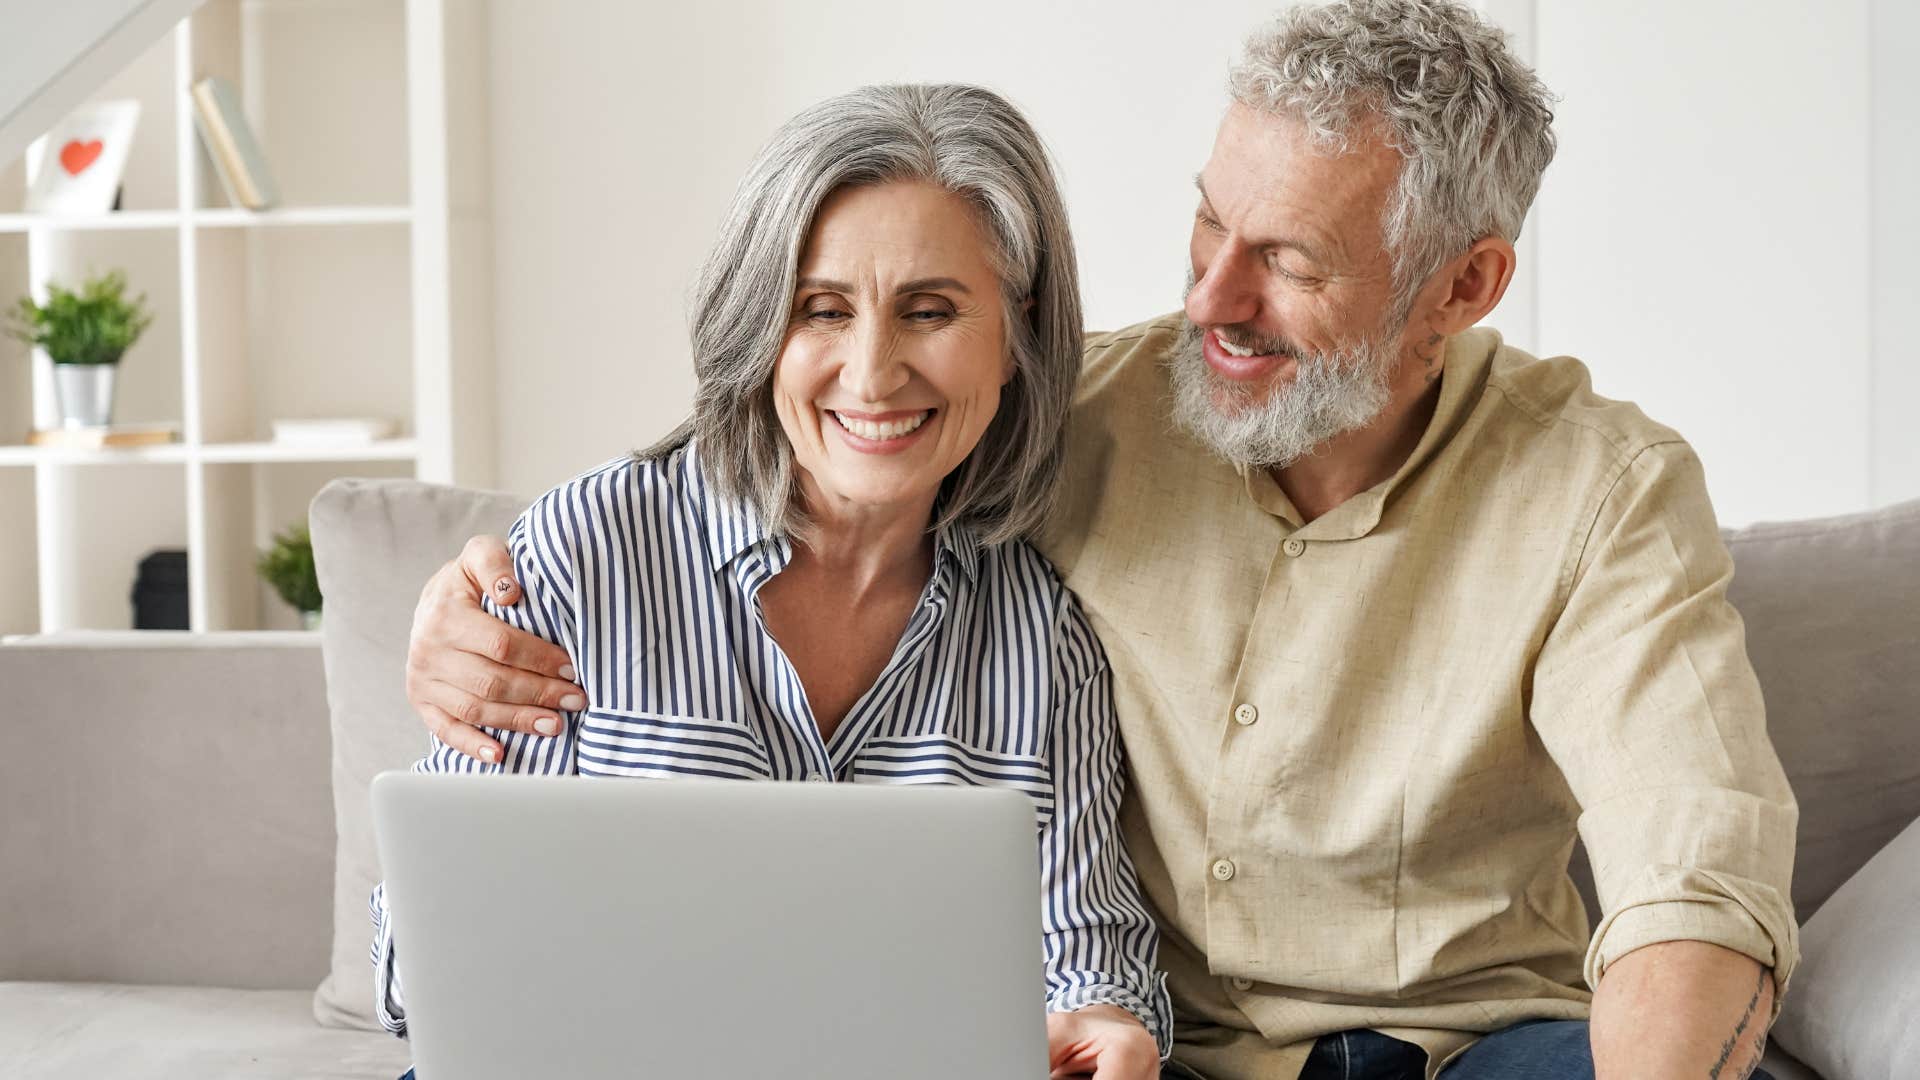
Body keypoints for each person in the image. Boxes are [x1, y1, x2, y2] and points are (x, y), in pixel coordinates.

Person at [403, 3, 1797, 1078]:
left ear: (1467, 283)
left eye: (1291, 262)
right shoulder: (1066, 415)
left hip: (1473, 1045)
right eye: (1207, 220)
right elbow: (826, 413)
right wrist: (460, 612)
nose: (1211, 298)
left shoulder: (1599, 491)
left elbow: (1692, 867)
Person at [373, 83, 1172, 1080]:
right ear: (759, 331)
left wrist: (1110, 1025)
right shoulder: (589, 551)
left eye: (930, 311)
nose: (873, 374)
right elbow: (428, 959)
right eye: (822, 311)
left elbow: (1090, 954)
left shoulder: (1041, 638)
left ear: (1015, 340)